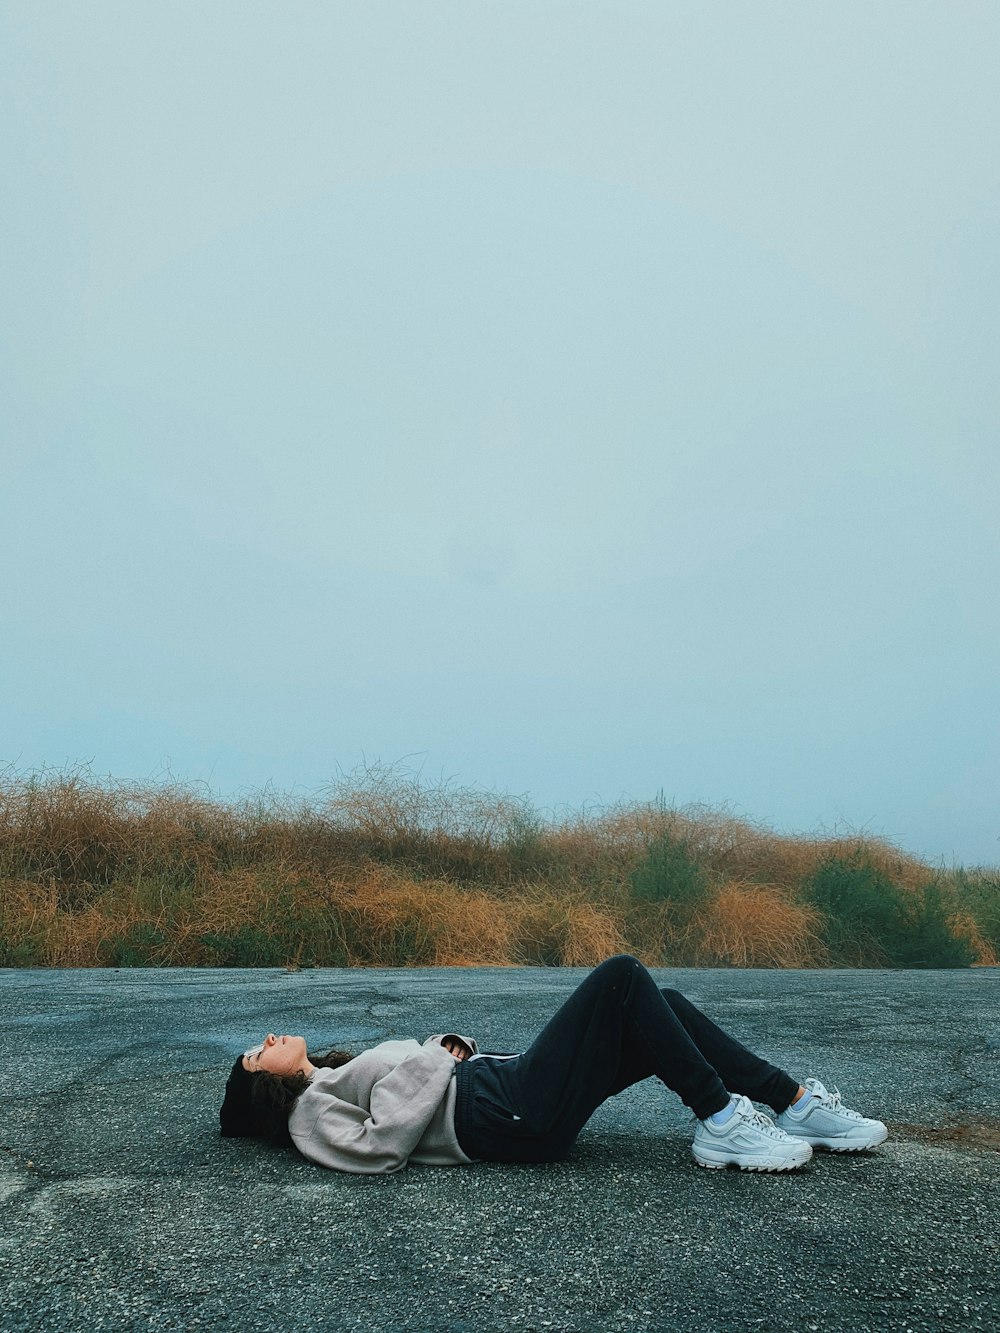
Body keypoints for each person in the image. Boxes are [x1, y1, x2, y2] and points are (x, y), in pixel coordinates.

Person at [218, 954, 887, 1175]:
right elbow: (379, 1146)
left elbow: (411, 1083)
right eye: (259, 1050)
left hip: (500, 1095)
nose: (271, 1038)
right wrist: (431, 1063)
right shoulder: (308, 1114)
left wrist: (442, 1048)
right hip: (502, 1113)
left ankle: (797, 1106)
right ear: (263, 1083)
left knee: (667, 1003)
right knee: (622, 977)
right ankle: (720, 1119)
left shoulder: (329, 1074)